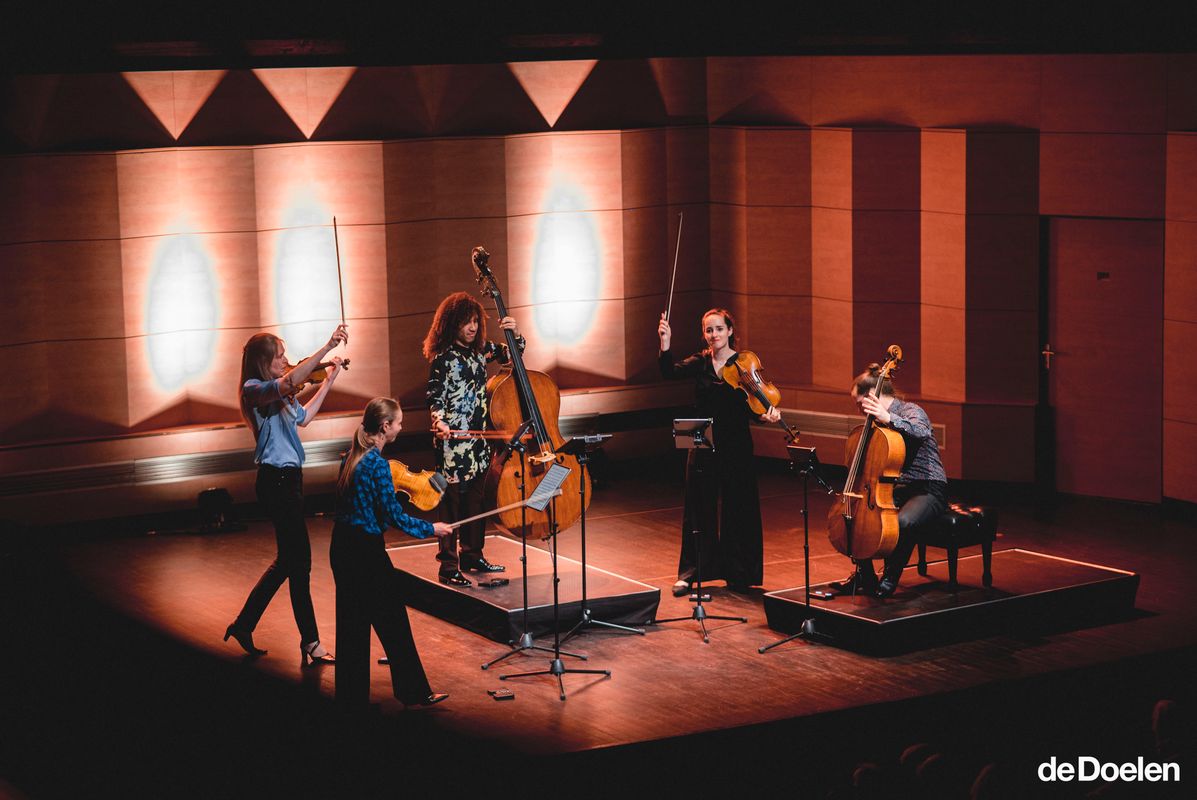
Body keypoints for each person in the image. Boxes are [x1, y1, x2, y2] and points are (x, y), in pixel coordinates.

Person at [225, 324, 347, 663]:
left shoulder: (280, 395)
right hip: (275, 481)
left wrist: (329, 380)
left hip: (290, 481)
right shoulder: (254, 390)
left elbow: (304, 418)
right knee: (299, 563)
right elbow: (290, 381)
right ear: (263, 362)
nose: (285, 361)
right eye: (279, 357)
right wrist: (327, 347)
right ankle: (310, 641)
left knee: (289, 563)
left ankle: (244, 625)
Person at [331, 397, 453, 709]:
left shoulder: (350, 457)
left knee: (351, 623)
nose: (401, 427)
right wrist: (432, 529)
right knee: (393, 621)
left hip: (342, 546)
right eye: (398, 423)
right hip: (366, 553)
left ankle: (350, 699)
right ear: (385, 427)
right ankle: (414, 692)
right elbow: (394, 516)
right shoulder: (377, 465)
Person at [657, 309, 782, 596]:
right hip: (699, 433)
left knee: (739, 504)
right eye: (709, 330)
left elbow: (754, 405)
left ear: (730, 331)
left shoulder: (744, 364)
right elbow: (668, 372)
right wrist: (665, 343)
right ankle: (690, 573)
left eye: (719, 329)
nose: (714, 335)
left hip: (735, 438)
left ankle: (739, 573)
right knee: (697, 505)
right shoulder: (700, 362)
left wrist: (766, 416)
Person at [423, 292, 523, 587]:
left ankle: (472, 555)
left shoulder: (481, 351)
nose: (472, 327)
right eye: (466, 322)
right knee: (451, 505)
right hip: (452, 445)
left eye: (476, 322)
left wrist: (515, 332)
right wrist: (439, 421)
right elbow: (434, 396)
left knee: (476, 502)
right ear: (451, 323)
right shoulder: (443, 359)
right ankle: (448, 565)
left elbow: (514, 354)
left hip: (479, 444)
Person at [830, 363, 947, 598]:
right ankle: (865, 576)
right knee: (857, 518)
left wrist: (888, 417)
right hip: (895, 487)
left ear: (872, 397)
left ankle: (890, 578)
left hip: (927, 488)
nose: (859, 410)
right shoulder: (873, 423)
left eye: (860, 403)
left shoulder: (910, 410)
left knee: (903, 522)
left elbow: (921, 431)